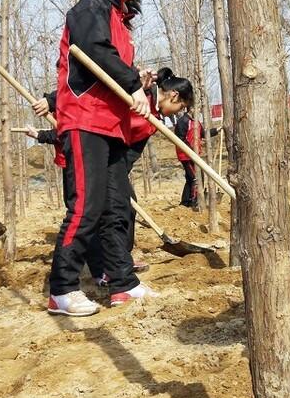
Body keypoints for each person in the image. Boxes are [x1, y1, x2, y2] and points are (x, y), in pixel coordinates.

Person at [46, 0, 156, 316]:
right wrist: (131, 84)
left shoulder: (121, 21)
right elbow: (93, 50)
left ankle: (122, 283)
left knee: (114, 206)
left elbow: (113, 63)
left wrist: (136, 79)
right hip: (85, 118)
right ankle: (62, 288)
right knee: (87, 205)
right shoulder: (91, 5)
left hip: (112, 123)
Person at [29, 70, 193, 283]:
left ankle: (120, 259)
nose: (176, 113)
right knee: (95, 213)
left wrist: (117, 178)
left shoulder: (154, 117)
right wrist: (51, 101)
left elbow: (132, 151)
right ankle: (99, 270)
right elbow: (93, 83)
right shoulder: (138, 90)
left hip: (113, 162)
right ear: (173, 96)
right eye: (180, 107)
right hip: (89, 153)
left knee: (124, 207)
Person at [174, 107, 204, 209]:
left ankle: (185, 202)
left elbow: (203, 134)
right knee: (196, 178)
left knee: (190, 178)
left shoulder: (196, 122)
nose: (199, 111)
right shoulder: (183, 121)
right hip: (186, 155)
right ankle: (193, 201)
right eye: (198, 109)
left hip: (195, 155)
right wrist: (191, 150)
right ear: (191, 108)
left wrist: (218, 130)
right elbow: (180, 139)